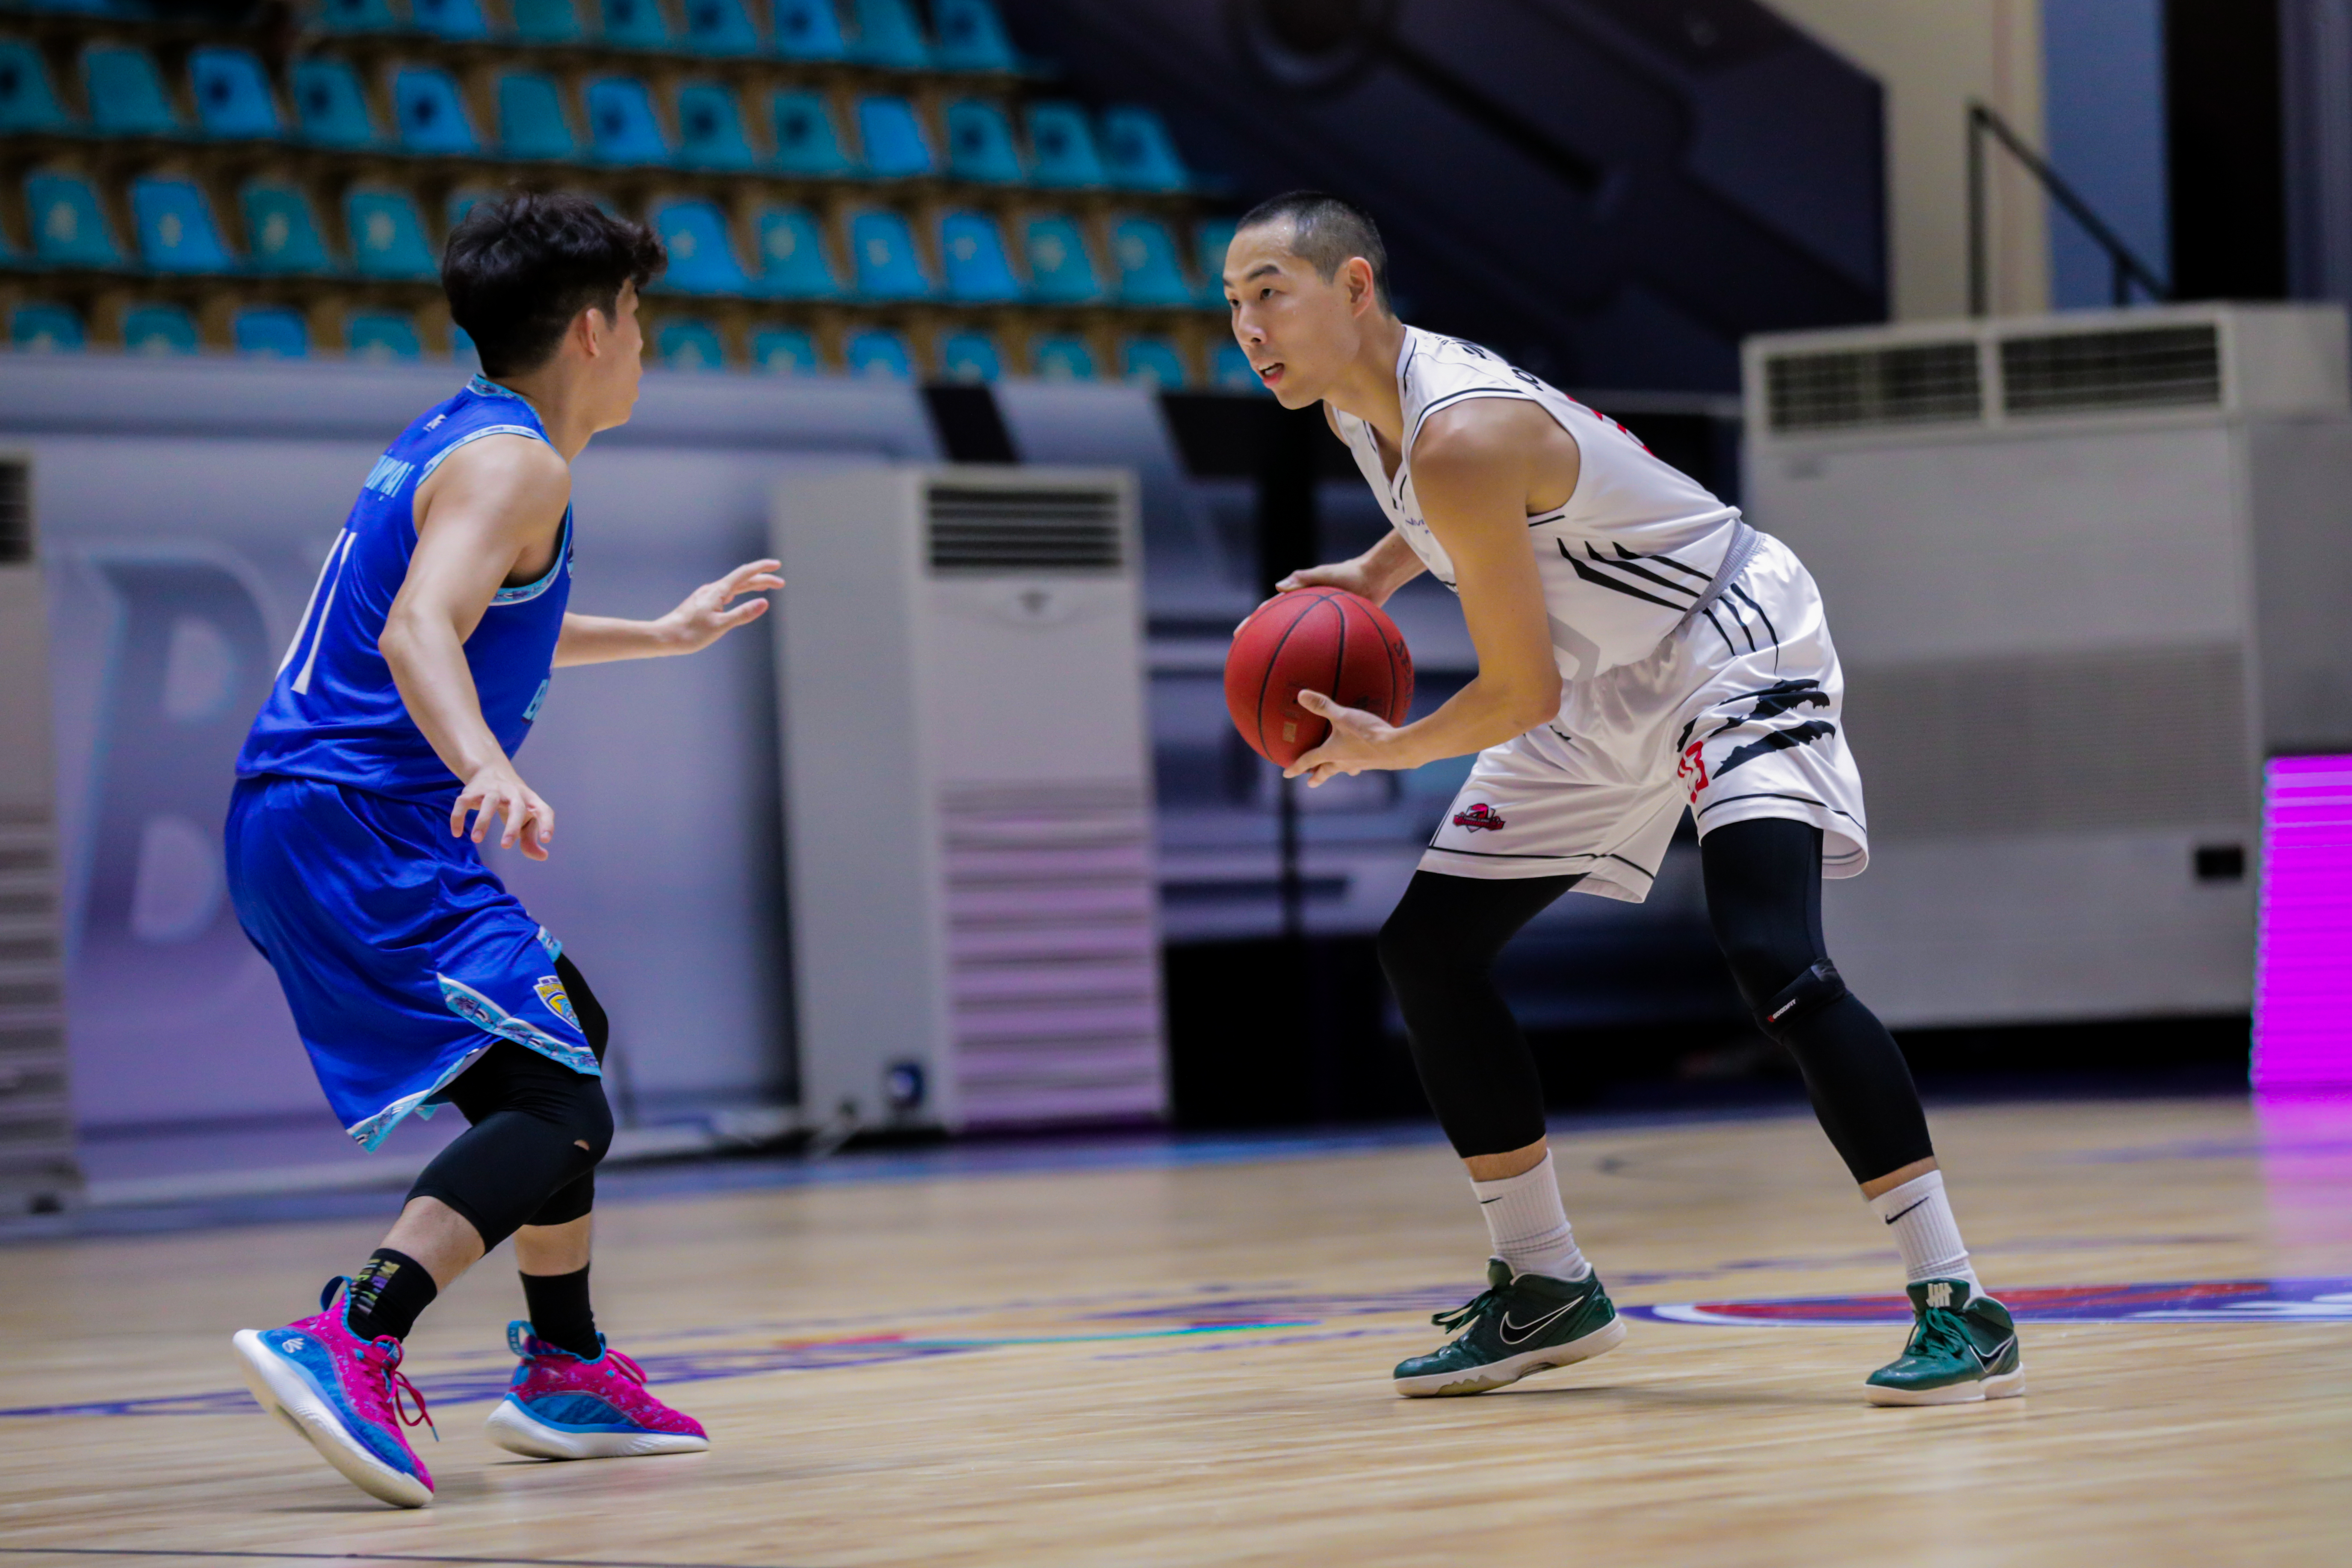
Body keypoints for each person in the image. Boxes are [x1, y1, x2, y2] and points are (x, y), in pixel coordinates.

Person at [1223, 192, 2022, 1407]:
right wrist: (1375, 570)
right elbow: (1456, 535)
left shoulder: (1456, 428)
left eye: (1269, 291)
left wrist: (1388, 751)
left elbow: (1512, 689)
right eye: (1231, 303)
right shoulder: (1355, 405)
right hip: (1602, 683)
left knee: (1773, 958)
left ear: (1354, 290)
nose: (1246, 324)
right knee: (1429, 955)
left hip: (1724, 642)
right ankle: (1544, 1282)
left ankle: (1958, 1298)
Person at [225, 190, 784, 1506]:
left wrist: (655, 634)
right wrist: (488, 765)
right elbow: (421, 626)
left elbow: (477, 617)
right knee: (559, 1100)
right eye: (639, 316)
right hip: (358, 822)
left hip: (322, 816)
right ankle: (353, 1330)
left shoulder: (471, 434)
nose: (646, 340)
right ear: (591, 328)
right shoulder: (517, 460)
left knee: (562, 1036)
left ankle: (566, 1364)